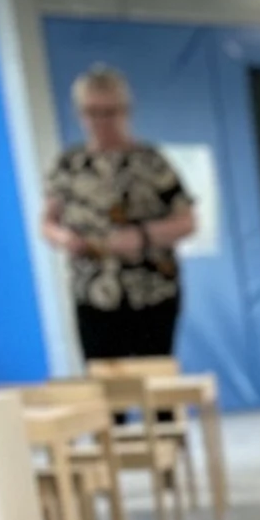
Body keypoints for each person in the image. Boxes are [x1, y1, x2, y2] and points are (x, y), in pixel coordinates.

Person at [40, 65, 199, 364]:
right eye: (93, 112)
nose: (102, 122)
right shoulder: (68, 165)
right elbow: (47, 222)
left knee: (158, 387)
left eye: (110, 112)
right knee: (106, 394)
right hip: (94, 294)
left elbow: (187, 221)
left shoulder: (152, 162)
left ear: (127, 111)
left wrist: (142, 237)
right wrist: (64, 238)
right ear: (80, 114)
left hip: (152, 292)